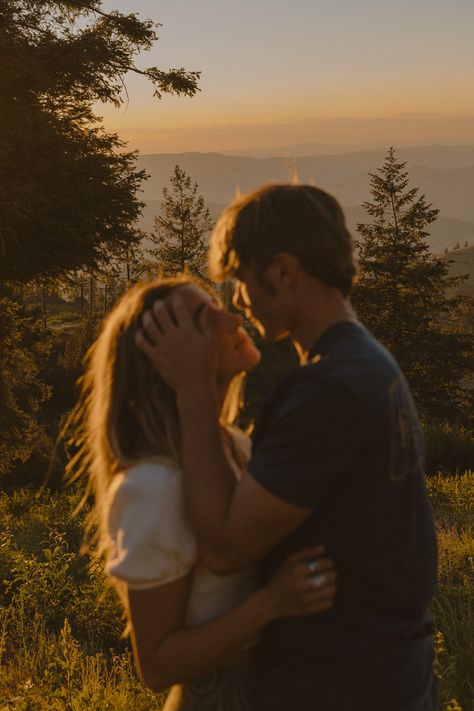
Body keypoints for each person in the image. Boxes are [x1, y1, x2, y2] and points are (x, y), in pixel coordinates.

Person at [136, 184, 439, 711]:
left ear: (280, 271)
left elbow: (226, 548)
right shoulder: (367, 363)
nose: (238, 301)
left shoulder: (328, 389)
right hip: (387, 676)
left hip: (342, 685)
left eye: (239, 280)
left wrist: (192, 391)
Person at [72, 274, 337, 711]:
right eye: (203, 318)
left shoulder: (234, 444)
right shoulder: (151, 486)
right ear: (166, 358)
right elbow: (156, 666)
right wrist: (271, 604)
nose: (233, 318)